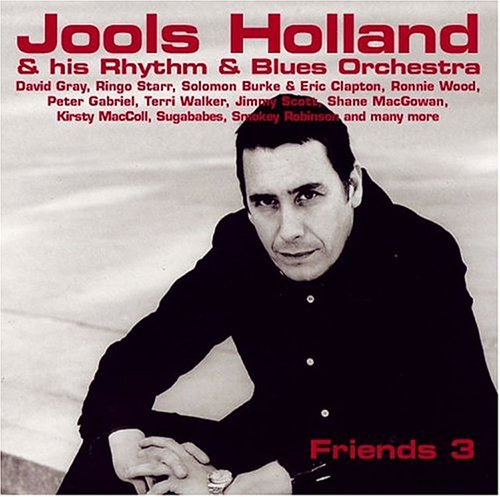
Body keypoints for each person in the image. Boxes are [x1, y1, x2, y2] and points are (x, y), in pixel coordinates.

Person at [59, 94, 497, 495]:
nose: (288, 231)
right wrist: (125, 442)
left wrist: (285, 479)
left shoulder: (418, 254)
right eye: (266, 202)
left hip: (394, 467)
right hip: (276, 447)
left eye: (307, 196)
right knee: (124, 451)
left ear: (353, 187)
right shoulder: (242, 247)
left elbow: (453, 433)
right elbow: (140, 357)